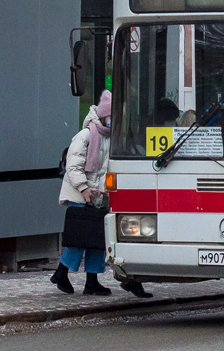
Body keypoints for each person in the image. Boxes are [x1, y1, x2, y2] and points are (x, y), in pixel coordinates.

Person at [52, 91, 152, 298]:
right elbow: (74, 166)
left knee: (96, 240)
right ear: (104, 115)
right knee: (79, 239)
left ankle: (91, 281)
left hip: (98, 196)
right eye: (110, 117)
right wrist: (84, 189)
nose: (112, 121)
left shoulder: (111, 137)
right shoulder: (87, 135)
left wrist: (107, 188)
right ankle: (61, 274)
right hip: (81, 195)